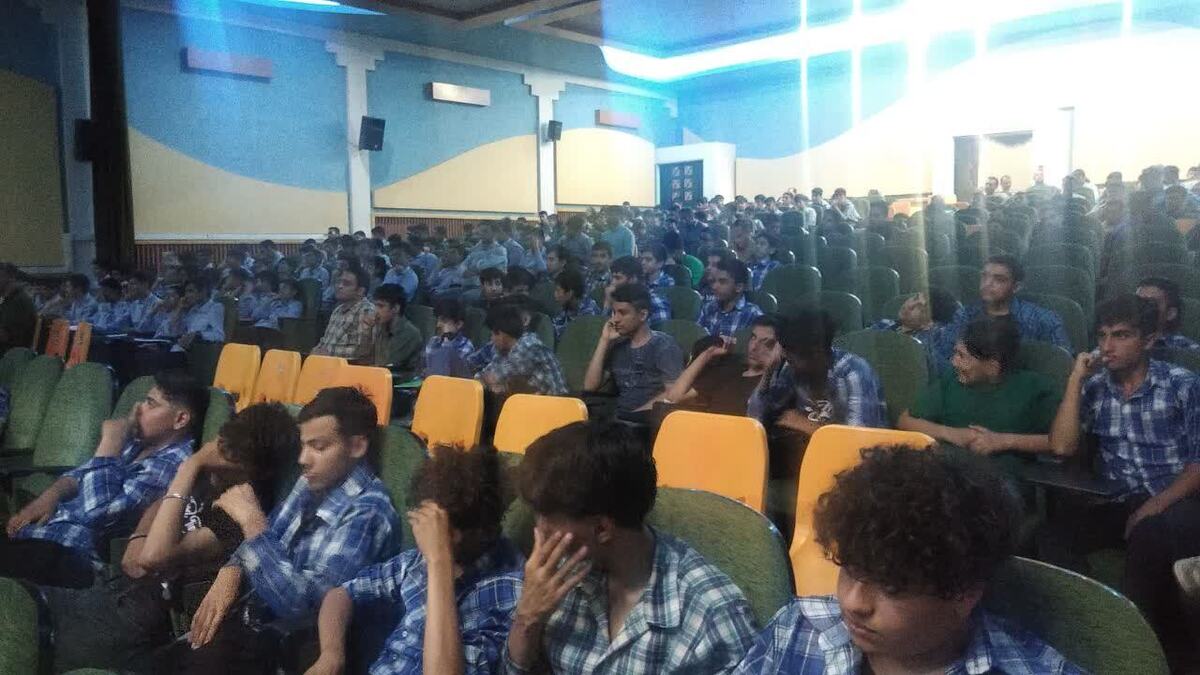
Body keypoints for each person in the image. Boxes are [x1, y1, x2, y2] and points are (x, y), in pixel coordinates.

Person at [734, 445, 1084, 675]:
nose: (853, 603)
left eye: (891, 586)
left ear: (964, 593)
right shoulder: (796, 628)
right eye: (849, 569)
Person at [44, 402, 299, 673]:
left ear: (258, 472)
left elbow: (153, 557)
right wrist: (140, 536)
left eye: (229, 463)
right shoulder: (208, 477)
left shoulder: (236, 510)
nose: (216, 467)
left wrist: (191, 465)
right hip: (116, 589)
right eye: (220, 448)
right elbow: (154, 515)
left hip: (138, 620)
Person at [173, 387, 400, 673]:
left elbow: (300, 608)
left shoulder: (368, 512)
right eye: (304, 446)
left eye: (319, 447)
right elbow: (271, 538)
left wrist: (251, 521)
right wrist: (231, 571)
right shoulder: (312, 481)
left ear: (356, 447)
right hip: (252, 628)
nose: (303, 459)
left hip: (290, 649)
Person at [503, 421, 758, 674]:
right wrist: (526, 619)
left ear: (602, 529)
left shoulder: (713, 617)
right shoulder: (554, 577)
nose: (539, 529)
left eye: (546, 517)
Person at [1042, 294, 1200, 668]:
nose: (1107, 346)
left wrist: (1153, 507)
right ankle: (1089, 625)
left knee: (1147, 535)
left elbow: (1198, 464)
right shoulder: (1096, 387)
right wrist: (1075, 380)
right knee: (1051, 536)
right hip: (1119, 499)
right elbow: (1061, 446)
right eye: (1102, 336)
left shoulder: (1182, 385)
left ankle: (1139, 652)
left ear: (1148, 340)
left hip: (1179, 499)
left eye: (1121, 335)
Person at [306, 445, 523, 675]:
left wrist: (440, 561)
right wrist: (331, 654)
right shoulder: (416, 562)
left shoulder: (508, 591)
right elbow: (341, 594)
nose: (429, 540)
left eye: (444, 533)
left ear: (486, 531)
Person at [1, 370, 207, 588]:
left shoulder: (172, 465)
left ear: (180, 419)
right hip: (41, 538)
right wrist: (50, 495)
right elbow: (78, 475)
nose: (137, 409)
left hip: (73, 555)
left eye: (150, 403)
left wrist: (110, 442)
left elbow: (96, 513)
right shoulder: (138, 444)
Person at [899, 316, 1061, 460]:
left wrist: (1004, 441)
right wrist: (952, 434)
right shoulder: (951, 380)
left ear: (992, 367)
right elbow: (905, 421)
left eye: (962, 356)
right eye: (955, 353)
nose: (954, 362)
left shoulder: (1034, 388)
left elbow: (1062, 443)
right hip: (951, 471)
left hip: (1004, 477)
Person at [751, 310, 887, 433]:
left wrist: (807, 425)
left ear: (816, 354)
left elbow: (858, 440)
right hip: (809, 447)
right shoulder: (792, 369)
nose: (786, 359)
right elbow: (756, 419)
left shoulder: (853, 373)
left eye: (791, 357)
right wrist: (769, 371)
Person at [936, 255, 1070, 364]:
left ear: (1016, 287)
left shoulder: (1044, 320)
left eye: (999, 279)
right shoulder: (965, 314)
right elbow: (945, 355)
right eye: (984, 276)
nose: (987, 284)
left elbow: (1063, 365)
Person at [583, 283, 684, 421]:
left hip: (649, 420)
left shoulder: (663, 345)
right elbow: (590, 387)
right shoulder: (617, 344)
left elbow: (673, 393)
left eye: (623, 313)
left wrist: (632, 416)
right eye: (614, 312)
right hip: (619, 417)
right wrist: (604, 340)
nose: (615, 319)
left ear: (642, 315)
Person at [661, 314, 783, 416]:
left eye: (766, 343)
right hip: (708, 430)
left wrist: (770, 369)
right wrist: (708, 353)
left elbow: (755, 414)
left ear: (779, 349)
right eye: (753, 338)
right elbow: (673, 398)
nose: (754, 347)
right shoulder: (730, 369)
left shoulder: (775, 383)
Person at [478, 303, 567, 396]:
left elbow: (496, 377)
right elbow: (483, 376)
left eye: (494, 334)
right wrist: (488, 382)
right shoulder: (502, 349)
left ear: (504, 334)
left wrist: (491, 382)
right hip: (529, 397)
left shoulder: (529, 346)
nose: (492, 339)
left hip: (555, 400)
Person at [312, 266, 376, 361]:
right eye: (339, 282)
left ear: (360, 291)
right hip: (325, 364)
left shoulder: (366, 311)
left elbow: (364, 351)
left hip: (347, 368)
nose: (339, 286)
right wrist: (315, 350)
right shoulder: (337, 310)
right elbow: (325, 341)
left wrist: (329, 355)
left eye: (346, 284)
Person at [370, 284, 423, 381]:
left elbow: (387, 362)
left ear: (395, 308)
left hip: (401, 383)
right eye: (375, 306)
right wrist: (367, 331)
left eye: (381, 306)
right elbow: (365, 358)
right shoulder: (381, 327)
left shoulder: (409, 333)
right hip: (380, 378)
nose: (376, 311)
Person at [155, 279, 226, 352]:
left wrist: (198, 335)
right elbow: (171, 332)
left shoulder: (214, 307)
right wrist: (179, 309)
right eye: (186, 292)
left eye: (190, 291)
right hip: (179, 347)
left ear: (202, 292)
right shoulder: (191, 309)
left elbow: (219, 336)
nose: (186, 295)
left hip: (198, 350)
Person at [698, 258, 763, 338]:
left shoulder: (752, 314)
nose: (714, 287)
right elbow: (697, 337)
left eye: (722, 282)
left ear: (739, 287)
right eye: (713, 281)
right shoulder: (708, 308)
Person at [1137, 276, 1200, 353]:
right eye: (1137, 301)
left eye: (1150, 303)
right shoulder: (1125, 342)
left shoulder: (1187, 350)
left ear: (1170, 314)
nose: (1140, 307)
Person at [604, 256, 671, 325]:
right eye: (612, 278)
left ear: (633, 279)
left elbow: (663, 330)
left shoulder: (655, 302)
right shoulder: (614, 300)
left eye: (618, 278)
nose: (613, 282)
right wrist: (607, 303)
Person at [423, 298, 476, 379]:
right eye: (438, 320)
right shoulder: (433, 341)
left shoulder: (466, 346)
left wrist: (446, 343)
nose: (438, 325)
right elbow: (425, 368)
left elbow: (452, 373)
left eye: (444, 321)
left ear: (459, 324)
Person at [551, 268, 601, 343]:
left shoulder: (589, 312)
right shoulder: (566, 308)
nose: (555, 295)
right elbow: (555, 331)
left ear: (570, 293)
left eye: (558, 291)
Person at [0, 262, 37, 352]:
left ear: (10, 278)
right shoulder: (6, 299)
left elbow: (8, 336)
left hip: (14, 353)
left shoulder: (19, 300)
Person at [462, 223, 509, 288]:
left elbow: (484, 268)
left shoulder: (500, 250)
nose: (482, 234)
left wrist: (471, 270)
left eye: (485, 231)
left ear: (494, 233)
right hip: (469, 285)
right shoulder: (476, 249)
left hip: (489, 287)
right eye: (480, 232)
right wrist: (466, 271)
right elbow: (461, 267)